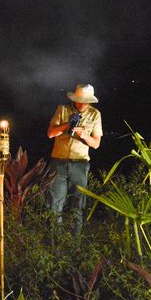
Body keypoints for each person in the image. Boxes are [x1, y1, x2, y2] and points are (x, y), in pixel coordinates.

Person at [47, 84, 103, 234]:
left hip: (79, 164)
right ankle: (55, 244)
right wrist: (67, 125)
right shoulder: (63, 110)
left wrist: (84, 135)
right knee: (55, 204)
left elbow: (96, 144)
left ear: (90, 101)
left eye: (85, 101)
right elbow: (50, 133)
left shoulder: (95, 115)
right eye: (79, 100)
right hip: (58, 162)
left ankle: (74, 244)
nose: (81, 103)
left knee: (77, 204)